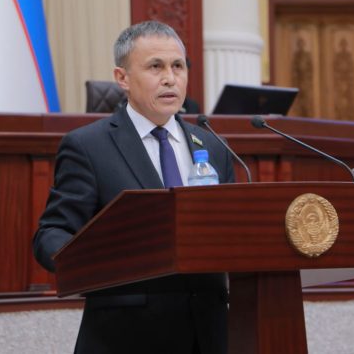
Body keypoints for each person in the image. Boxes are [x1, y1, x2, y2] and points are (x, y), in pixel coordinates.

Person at [33, 20, 234, 354]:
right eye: (155, 67)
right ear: (122, 78)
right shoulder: (88, 146)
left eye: (178, 66)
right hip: (125, 334)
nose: (170, 78)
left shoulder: (214, 147)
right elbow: (52, 234)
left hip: (209, 334)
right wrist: (102, 262)